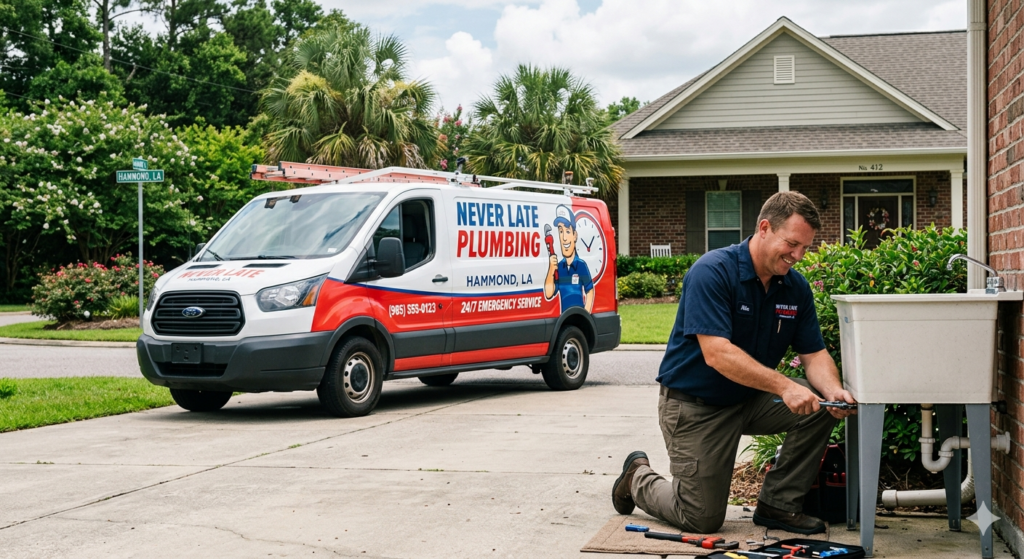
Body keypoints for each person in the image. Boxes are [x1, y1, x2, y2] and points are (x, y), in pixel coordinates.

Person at [611, 191, 857, 535]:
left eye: (805, 248)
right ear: (765, 228)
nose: (798, 255)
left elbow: (813, 353)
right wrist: (785, 386)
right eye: (791, 243)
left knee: (819, 406)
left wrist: (833, 393)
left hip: (751, 398)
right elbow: (717, 354)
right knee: (699, 518)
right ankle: (637, 476)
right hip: (696, 407)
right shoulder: (712, 272)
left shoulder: (795, 288)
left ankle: (778, 505)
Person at [544, 204, 595, 313]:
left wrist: (585, 316)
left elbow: (590, 291)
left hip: (578, 317)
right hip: (564, 319)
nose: (564, 238)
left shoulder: (580, 265)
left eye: (567, 231)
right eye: (561, 231)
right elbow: (548, 293)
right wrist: (551, 269)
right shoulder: (559, 268)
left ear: (574, 235)